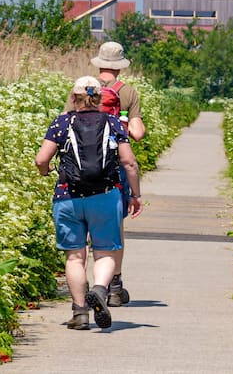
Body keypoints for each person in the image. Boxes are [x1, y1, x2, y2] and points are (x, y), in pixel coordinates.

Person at [36, 76, 143, 330]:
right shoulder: (115, 123)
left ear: (73, 98)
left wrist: (46, 170)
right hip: (105, 196)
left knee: (75, 257)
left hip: (68, 197)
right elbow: (129, 163)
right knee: (104, 251)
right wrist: (136, 196)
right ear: (100, 100)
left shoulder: (62, 123)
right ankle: (99, 288)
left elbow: (42, 159)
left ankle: (80, 312)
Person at [64, 41, 147, 307]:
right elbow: (138, 132)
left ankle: (81, 289)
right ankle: (113, 285)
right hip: (114, 168)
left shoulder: (79, 89)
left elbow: (65, 122)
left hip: (76, 170)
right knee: (113, 227)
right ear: (120, 67)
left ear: (99, 63)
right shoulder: (128, 92)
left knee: (80, 228)